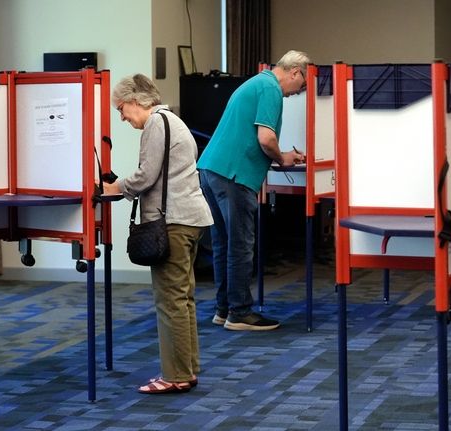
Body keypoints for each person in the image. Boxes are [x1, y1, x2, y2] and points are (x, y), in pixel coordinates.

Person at [104, 74, 213, 394]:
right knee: (183, 299)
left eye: (121, 108)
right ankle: (186, 369)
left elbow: (146, 175)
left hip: (173, 222)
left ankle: (176, 375)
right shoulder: (174, 121)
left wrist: (116, 187)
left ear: (136, 101)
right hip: (190, 219)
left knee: (170, 301)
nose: (122, 117)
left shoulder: (155, 124)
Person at [197, 50, 311, 331]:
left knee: (223, 243)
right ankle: (240, 312)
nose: (300, 92)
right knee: (240, 244)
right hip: (234, 175)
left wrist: (280, 153)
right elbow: (266, 137)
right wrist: (282, 157)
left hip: (211, 169)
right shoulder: (271, 89)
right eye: (304, 85)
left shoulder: (256, 82)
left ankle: (223, 309)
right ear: (296, 72)